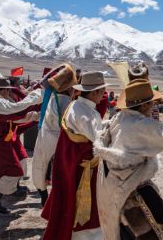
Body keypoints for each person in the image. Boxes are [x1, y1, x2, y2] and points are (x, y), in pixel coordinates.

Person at [94, 77, 163, 239]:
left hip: (115, 191)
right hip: (135, 193)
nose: (153, 106)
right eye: (151, 103)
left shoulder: (119, 119)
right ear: (144, 105)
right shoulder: (139, 125)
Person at [42, 71, 109, 240]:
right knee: (85, 216)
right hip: (83, 172)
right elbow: (98, 138)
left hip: (74, 167)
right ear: (94, 93)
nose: (103, 97)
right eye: (101, 93)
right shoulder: (84, 113)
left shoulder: (78, 106)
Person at [0, 78, 44, 214]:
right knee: (14, 171)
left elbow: (14, 117)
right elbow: (15, 109)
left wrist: (36, 116)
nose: (10, 93)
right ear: (5, 90)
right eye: (9, 90)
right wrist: (35, 97)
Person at [32, 65, 77, 207]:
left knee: (41, 165)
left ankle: (43, 196)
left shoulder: (53, 97)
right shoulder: (65, 101)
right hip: (57, 138)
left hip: (45, 135)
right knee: (59, 170)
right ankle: (51, 200)